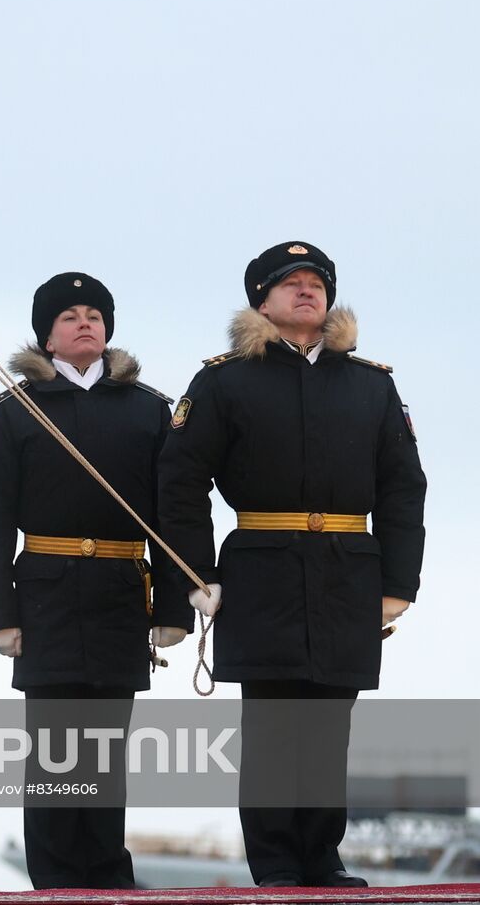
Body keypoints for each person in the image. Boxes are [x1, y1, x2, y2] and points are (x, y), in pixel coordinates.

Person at [158, 242, 426, 888]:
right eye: (291, 283)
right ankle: (277, 866)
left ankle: (322, 861)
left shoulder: (372, 385)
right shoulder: (223, 381)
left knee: (330, 727)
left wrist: (399, 584)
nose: (307, 291)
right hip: (261, 573)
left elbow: (402, 485)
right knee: (275, 727)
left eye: (316, 283)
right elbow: (180, 478)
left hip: (348, 573)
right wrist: (198, 574)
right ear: (263, 299)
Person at [0, 272, 192, 889]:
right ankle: (56, 883)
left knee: (107, 749)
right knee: (55, 751)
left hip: (122, 593)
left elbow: (173, 515)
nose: (84, 322)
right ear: (47, 335)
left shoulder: (150, 411)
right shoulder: (13, 413)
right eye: (69, 315)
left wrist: (176, 607)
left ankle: (107, 881)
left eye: (94, 313)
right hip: (45, 598)